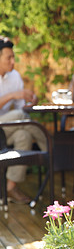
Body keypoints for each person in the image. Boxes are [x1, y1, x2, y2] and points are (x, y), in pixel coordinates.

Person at [0, 36, 47, 204]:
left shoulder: (15, 77)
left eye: (13, 57)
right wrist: (12, 95)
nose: (13, 61)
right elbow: (19, 112)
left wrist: (30, 102)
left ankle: (10, 187)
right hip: (3, 124)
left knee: (23, 136)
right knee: (21, 118)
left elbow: (21, 109)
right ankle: (50, 150)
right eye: (8, 58)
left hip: (5, 131)